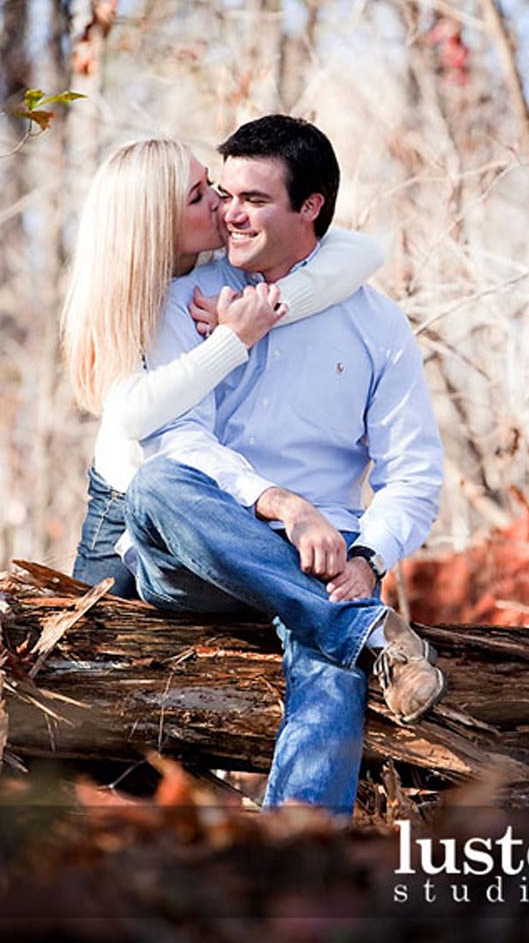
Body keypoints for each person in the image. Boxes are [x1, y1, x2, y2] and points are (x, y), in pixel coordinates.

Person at [122, 115, 446, 818]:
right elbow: (176, 438)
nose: (229, 215)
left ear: (310, 208)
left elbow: (413, 474)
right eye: (224, 192)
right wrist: (280, 504)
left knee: (329, 657)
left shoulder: (375, 325)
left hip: (324, 563)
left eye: (255, 200)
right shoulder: (184, 297)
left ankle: (295, 855)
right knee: (155, 486)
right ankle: (366, 631)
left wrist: (366, 554)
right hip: (197, 552)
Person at [60, 137, 385, 597]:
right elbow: (134, 415)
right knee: (82, 656)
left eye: (208, 183)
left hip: (205, 497)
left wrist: (272, 306)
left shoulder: (220, 265)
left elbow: (364, 252)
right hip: (124, 502)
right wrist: (237, 338)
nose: (221, 203)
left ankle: (333, 610)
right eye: (199, 196)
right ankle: (345, 612)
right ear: (156, 224)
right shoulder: (126, 302)